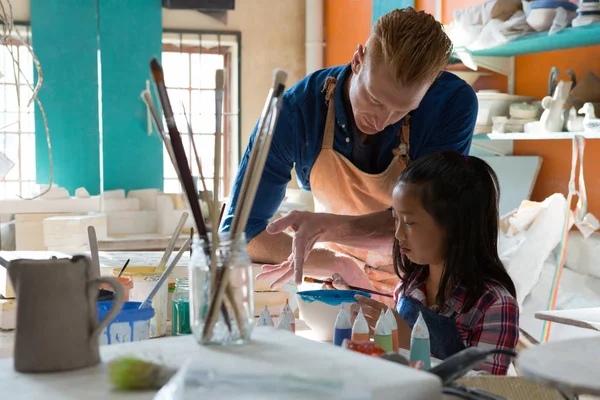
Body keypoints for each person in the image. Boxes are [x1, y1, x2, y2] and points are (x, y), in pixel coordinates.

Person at [221, 7, 478, 294]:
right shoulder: (297, 110)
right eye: (374, 99)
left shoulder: (451, 105)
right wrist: (331, 261)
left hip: (418, 285)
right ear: (358, 60)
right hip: (334, 282)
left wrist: (328, 227)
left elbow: (428, 229)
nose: (381, 121)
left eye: (402, 110)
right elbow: (239, 233)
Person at [328, 151, 519, 375]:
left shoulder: (494, 305)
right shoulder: (410, 287)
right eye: (395, 220)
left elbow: (483, 390)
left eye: (409, 222)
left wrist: (411, 340)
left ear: (454, 227)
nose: (398, 234)